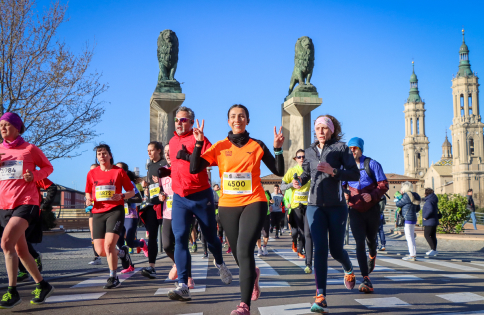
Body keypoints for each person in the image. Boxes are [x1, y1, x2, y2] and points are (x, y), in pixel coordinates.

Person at [189, 104, 284, 315]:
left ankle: (244, 306)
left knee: (244, 249)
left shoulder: (257, 145)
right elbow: (194, 168)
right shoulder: (220, 146)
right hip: (228, 206)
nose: (237, 119)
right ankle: (253, 275)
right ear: (228, 121)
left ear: (247, 120)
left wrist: (277, 148)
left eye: (241, 116)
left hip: (254, 201)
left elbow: (279, 170)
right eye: (233, 116)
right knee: (238, 254)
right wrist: (198, 143)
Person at [292, 115, 360, 314]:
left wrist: (334, 171)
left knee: (336, 250)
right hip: (314, 206)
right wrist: (298, 181)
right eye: (318, 128)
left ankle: (347, 267)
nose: (320, 132)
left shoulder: (341, 148)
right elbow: (305, 175)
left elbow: (354, 174)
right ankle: (320, 296)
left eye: (324, 128)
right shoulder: (309, 152)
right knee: (320, 249)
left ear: (331, 130)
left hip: (337, 207)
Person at [166, 106, 232, 302]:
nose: (179, 123)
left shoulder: (199, 138)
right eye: (177, 120)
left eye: (184, 120)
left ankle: (219, 263)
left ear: (191, 122)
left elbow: (212, 160)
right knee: (180, 238)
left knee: (211, 237)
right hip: (179, 197)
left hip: (201, 196)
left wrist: (199, 142)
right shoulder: (171, 141)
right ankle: (184, 285)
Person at [0, 112, 54, 308]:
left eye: (6, 124)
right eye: (1, 125)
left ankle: (12, 291)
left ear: (17, 127)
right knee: (20, 250)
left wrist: (35, 175)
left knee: (6, 243)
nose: (3, 128)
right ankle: (42, 284)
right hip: (4, 204)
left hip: (26, 202)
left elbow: (48, 168)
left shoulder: (29, 149)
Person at [85, 144, 135, 289]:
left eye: (105, 153)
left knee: (109, 245)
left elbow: (131, 191)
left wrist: (122, 195)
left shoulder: (118, 172)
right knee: (101, 251)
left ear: (110, 155)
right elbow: (88, 192)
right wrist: (88, 199)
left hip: (115, 210)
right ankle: (122, 253)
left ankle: (113, 277)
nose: (102, 156)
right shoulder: (92, 173)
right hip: (98, 212)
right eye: (99, 153)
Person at [343, 137, 389, 294]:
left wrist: (373, 195)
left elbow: (384, 185)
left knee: (371, 240)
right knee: (359, 243)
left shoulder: (372, 164)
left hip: (372, 210)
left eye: (355, 148)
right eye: (349, 148)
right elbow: (341, 186)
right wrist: (345, 194)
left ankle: (373, 253)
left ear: (361, 149)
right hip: (355, 209)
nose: (352, 151)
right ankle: (365, 278)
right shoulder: (345, 167)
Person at [17, 177, 57, 282]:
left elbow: (52, 187)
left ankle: (27, 267)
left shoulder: (30, 173)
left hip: (29, 211)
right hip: (8, 210)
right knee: (14, 241)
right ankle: (28, 265)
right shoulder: (4, 174)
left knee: (17, 239)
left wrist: (45, 204)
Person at [281, 149, 313, 272]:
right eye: (299, 157)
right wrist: (291, 185)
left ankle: (308, 262)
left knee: (307, 233)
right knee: (300, 233)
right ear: (296, 159)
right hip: (295, 207)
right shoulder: (292, 171)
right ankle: (300, 249)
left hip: (309, 205)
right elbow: (283, 185)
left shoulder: (310, 170)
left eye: (304, 157)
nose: (301, 159)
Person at [139, 141, 166, 279]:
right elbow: (151, 185)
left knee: (169, 239)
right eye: (147, 150)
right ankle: (152, 267)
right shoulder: (149, 165)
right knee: (152, 237)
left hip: (164, 204)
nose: (149, 153)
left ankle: (179, 266)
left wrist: (160, 181)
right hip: (151, 204)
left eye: (151, 150)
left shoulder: (165, 163)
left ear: (159, 151)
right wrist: (146, 186)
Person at [115, 162, 143, 273]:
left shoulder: (130, 183)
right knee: (120, 243)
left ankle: (141, 243)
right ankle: (128, 265)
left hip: (130, 215)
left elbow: (139, 199)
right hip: (117, 214)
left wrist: (124, 198)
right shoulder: (113, 184)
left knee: (130, 242)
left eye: (120, 169)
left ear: (125, 172)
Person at [396, 181, 421, 261]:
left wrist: (400, 196)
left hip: (407, 218)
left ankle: (412, 255)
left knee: (409, 237)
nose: (401, 189)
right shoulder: (415, 195)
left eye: (402, 188)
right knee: (411, 236)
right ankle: (413, 253)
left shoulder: (407, 195)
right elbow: (418, 209)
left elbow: (398, 204)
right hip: (413, 218)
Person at [87, 163, 102, 265]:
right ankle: (97, 257)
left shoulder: (103, 180)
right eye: (90, 170)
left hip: (104, 210)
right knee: (93, 234)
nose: (91, 172)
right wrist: (88, 200)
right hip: (93, 210)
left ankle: (119, 252)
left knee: (105, 236)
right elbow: (87, 193)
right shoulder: (89, 181)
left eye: (94, 169)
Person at [422, 188, 439, 256]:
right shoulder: (433, 200)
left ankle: (432, 249)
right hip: (434, 220)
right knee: (433, 235)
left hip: (429, 221)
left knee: (427, 235)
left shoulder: (428, 201)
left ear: (426, 194)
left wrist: (425, 216)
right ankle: (434, 250)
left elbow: (430, 209)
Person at [256, 190, 272, 256]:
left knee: (266, 234)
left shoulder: (267, 193)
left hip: (266, 215)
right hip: (257, 215)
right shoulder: (255, 192)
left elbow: (271, 201)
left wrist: (271, 202)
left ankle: (264, 246)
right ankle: (259, 249)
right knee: (257, 234)